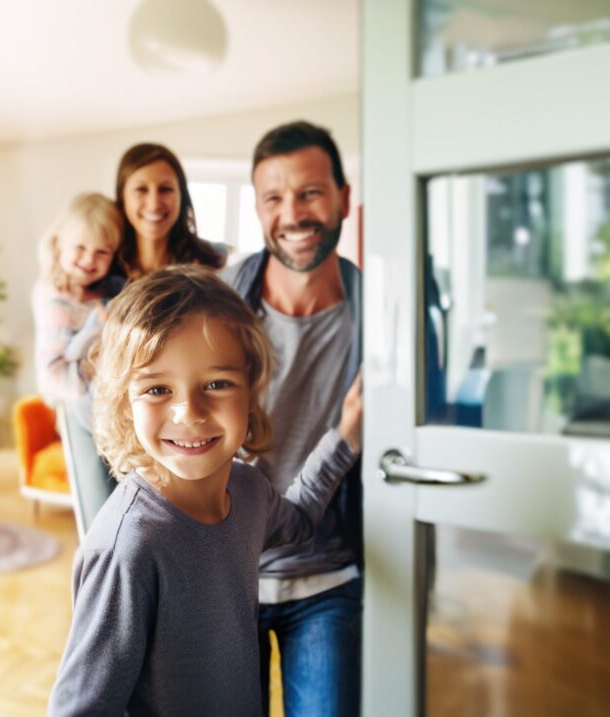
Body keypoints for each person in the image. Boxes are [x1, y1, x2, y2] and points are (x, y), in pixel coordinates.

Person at [46, 267, 362, 717]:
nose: (189, 412)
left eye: (216, 383)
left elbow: (299, 519)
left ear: (251, 391)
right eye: (157, 388)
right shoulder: (128, 547)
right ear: (123, 401)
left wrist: (346, 437)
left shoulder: (249, 490)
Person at [220, 120, 363, 716]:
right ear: (257, 209)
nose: (293, 214)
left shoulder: (380, 315)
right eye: (274, 198)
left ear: (343, 199)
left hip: (327, 582)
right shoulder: (224, 303)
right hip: (226, 579)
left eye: (310, 192)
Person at [32, 192, 124, 409]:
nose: (89, 259)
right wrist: (98, 339)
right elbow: (54, 377)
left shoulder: (107, 290)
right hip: (72, 405)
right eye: (80, 248)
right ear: (58, 243)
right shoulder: (56, 302)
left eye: (102, 252)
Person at [114, 142, 225, 278]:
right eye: (141, 189)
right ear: (122, 197)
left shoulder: (215, 265)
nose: (154, 204)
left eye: (165, 189)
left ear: (182, 196)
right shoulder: (102, 269)